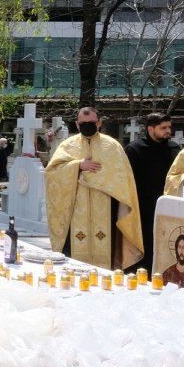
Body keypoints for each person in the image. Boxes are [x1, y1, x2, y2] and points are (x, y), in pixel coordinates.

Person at [44, 106, 144, 270]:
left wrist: (97, 180)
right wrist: (78, 166)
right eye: (83, 123)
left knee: (106, 254)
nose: (87, 125)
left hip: (106, 208)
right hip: (75, 209)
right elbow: (52, 174)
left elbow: (123, 179)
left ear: (99, 123)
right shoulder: (67, 146)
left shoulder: (112, 146)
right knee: (73, 258)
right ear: (77, 125)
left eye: (91, 122)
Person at [124, 112, 178, 274]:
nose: (168, 131)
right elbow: (127, 181)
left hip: (167, 208)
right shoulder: (134, 150)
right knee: (143, 250)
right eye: (163, 128)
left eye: (169, 127)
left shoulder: (174, 148)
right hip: (142, 209)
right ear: (150, 129)